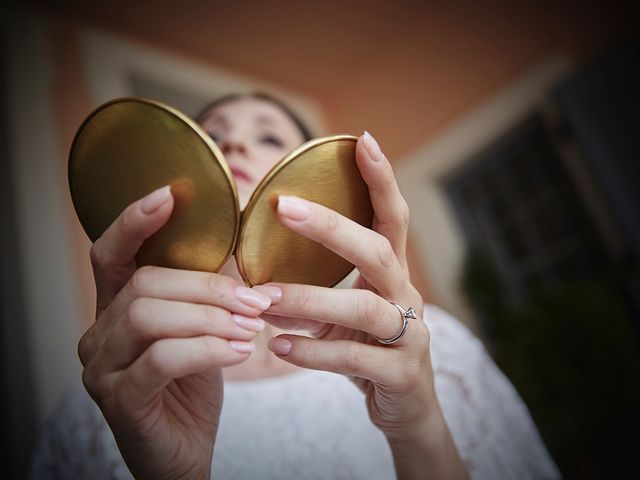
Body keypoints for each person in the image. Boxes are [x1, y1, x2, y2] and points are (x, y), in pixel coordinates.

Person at [30, 93, 560, 479]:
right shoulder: (111, 392)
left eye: (269, 137)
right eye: (210, 136)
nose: (233, 142)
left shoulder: (425, 349)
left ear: (314, 180)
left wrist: (417, 429)